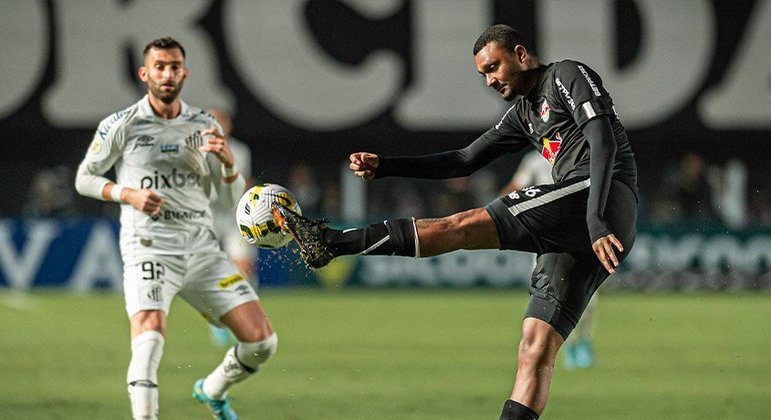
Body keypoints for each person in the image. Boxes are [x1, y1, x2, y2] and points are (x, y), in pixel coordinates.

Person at [272, 24, 637, 419]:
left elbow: (603, 141)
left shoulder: (565, 75)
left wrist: (596, 220)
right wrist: (387, 167)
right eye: (483, 74)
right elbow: (464, 159)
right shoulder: (523, 114)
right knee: (535, 345)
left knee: (461, 225)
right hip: (578, 222)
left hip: (600, 196)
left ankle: (331, 242)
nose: (490, 80)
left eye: (493, 67)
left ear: (520, 53)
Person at [75, 37, 276, 420]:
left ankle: (213, 390)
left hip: (202, 249)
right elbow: (85, 178)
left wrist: (229, 164)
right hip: (149, 247)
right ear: (144, 73)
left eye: (174, 66)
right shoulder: (121, 125)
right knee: (149, 340)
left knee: (263, 342)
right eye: (159, 66)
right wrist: (127, 194)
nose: (167, 74)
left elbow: (235, 197)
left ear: (184, 72)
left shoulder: (205, 125)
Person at [501, 150, 599, 370]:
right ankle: (569, 345)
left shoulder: (581, 155)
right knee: (551, 298)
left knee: (590, 301)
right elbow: (517, 186)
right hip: (545, 240)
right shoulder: (535, 160)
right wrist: (495, 210)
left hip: (579, 235)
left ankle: (583, 340)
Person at [207, 107, 258, 348]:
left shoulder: (240, 150)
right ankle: (216, 317)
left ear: (228, 124)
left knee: (243, 270)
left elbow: (245, 181)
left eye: (220, 120)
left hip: (234, 216)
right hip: (205, 217)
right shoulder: (196, 150)